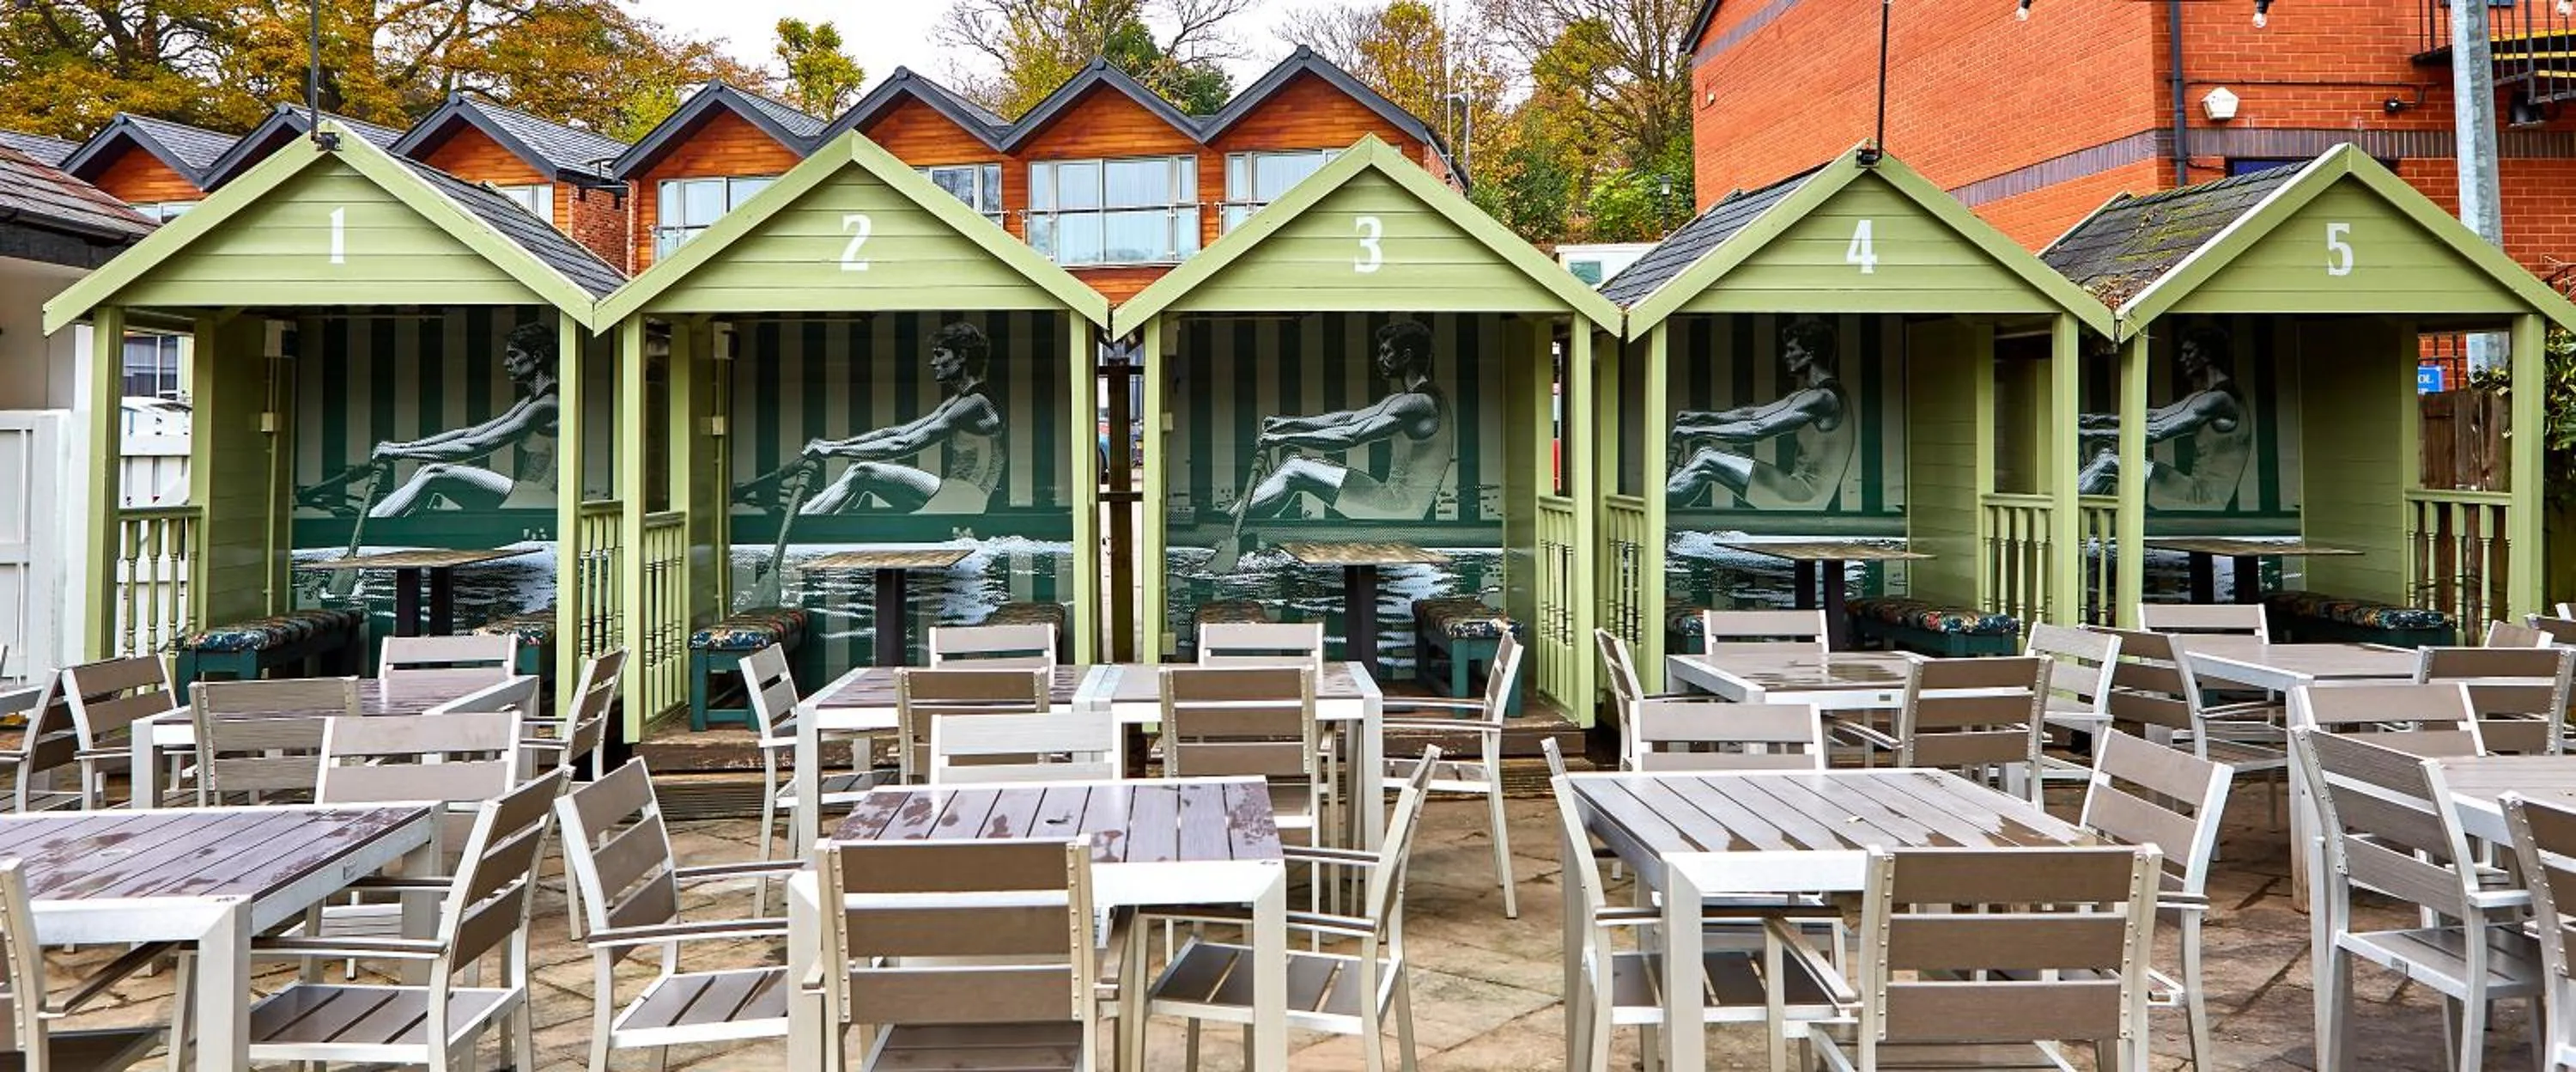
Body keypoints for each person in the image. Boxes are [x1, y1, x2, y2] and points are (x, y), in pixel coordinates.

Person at [312, 320, 560, 518]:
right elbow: (470, 434)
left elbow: (475, 447)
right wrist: (403, 448)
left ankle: (372, 529)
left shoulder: (546, 405)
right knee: (429, 472)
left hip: (538, 498)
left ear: (537, 357)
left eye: (514, 355)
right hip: (523, 494)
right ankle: (381, 525)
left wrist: (401, 453)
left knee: (434, 472)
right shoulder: (530, 402)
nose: (507, 363)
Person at [1239, 320, 1453, 521]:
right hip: (1392, 497)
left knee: (1295, 469)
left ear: (1406, 356)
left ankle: (1226, 524)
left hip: (1401, 508)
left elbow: (1350, 436)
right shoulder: (1405, 400)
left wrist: (1284, 439)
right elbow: (1348, 419)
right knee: (1296, 463)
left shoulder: (1420, 402)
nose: (1380, 359)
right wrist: (1286, 423)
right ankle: (1236, 521)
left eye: (1386, 352)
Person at [793, 320, 1005, 515]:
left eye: (940, 354)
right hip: (953, 492)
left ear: (962, 357)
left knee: (862, 472)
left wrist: (833, 450)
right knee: (859, 477)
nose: (933, 362)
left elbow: (905, 443)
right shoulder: (959, 402)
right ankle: (809, 524)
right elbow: (897, 432)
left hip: (965, 498)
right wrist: (833, 445)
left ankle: (800, 527)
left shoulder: (975, 402)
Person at [1665, 318, 1856, 510]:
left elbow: (1756, 429)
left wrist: (1697, 432)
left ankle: (1659, 499)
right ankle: (1668, 490)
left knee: (1705, 458)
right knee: (1704, 459)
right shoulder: (1814, 395)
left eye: (1791, 350)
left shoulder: (1822, 398)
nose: (1786, 356)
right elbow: (1754, 414)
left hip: (1803, 496)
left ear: (1809, 354)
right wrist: (1700, 418)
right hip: (1798, 489)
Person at [2075, 325, 2252, 510]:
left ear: (2206, 356)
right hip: (2193, 488)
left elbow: (2156, 432)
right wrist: (2094, 420)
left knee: (2107, 463)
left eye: (2188, 353)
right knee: (2107, 457)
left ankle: (2064, 517)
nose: (2182, 359)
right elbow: (2154, 417)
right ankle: (2072, 519)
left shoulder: (2220, 399)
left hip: (2202, 497)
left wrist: (2089, 434)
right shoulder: (2206, 396)